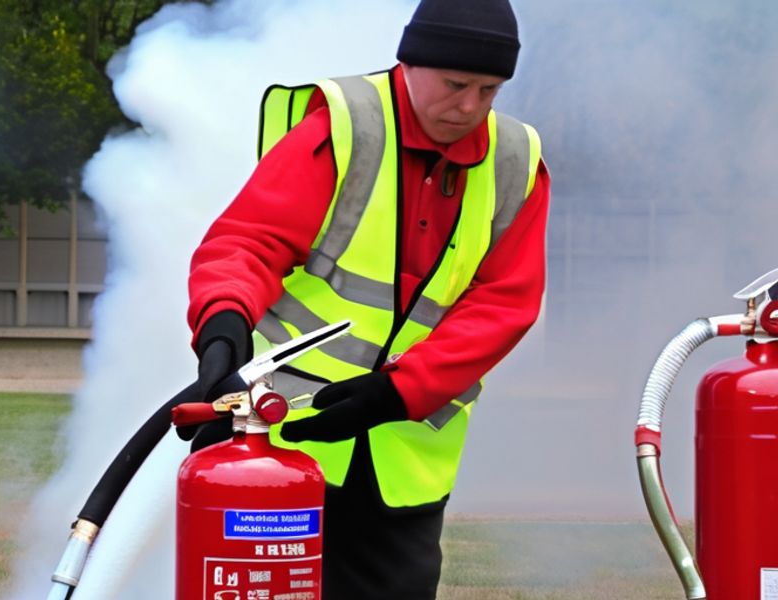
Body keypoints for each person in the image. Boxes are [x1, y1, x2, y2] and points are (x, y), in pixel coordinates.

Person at [181, 0, 549, 597]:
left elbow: (505, 303)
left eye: (489, 90)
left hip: (402, 463)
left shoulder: (516, 162)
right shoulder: (346, 126)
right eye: (456, 85)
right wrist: (223, 328)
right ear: (410, 62)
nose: (469, 107)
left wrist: (400, 391)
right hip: (278, 444)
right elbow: (249, 242)